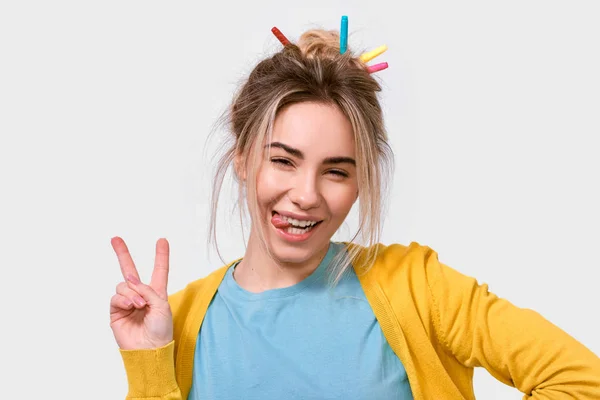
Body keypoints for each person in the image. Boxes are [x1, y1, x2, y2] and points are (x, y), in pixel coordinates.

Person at [109, 19, 600, 400]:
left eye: (337, 171)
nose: (306, 194)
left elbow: (582, 382)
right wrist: (151, 365)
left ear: (361, 181)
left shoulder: (418, 288)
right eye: (283, 160)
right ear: (242, 159)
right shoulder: (181, 319)